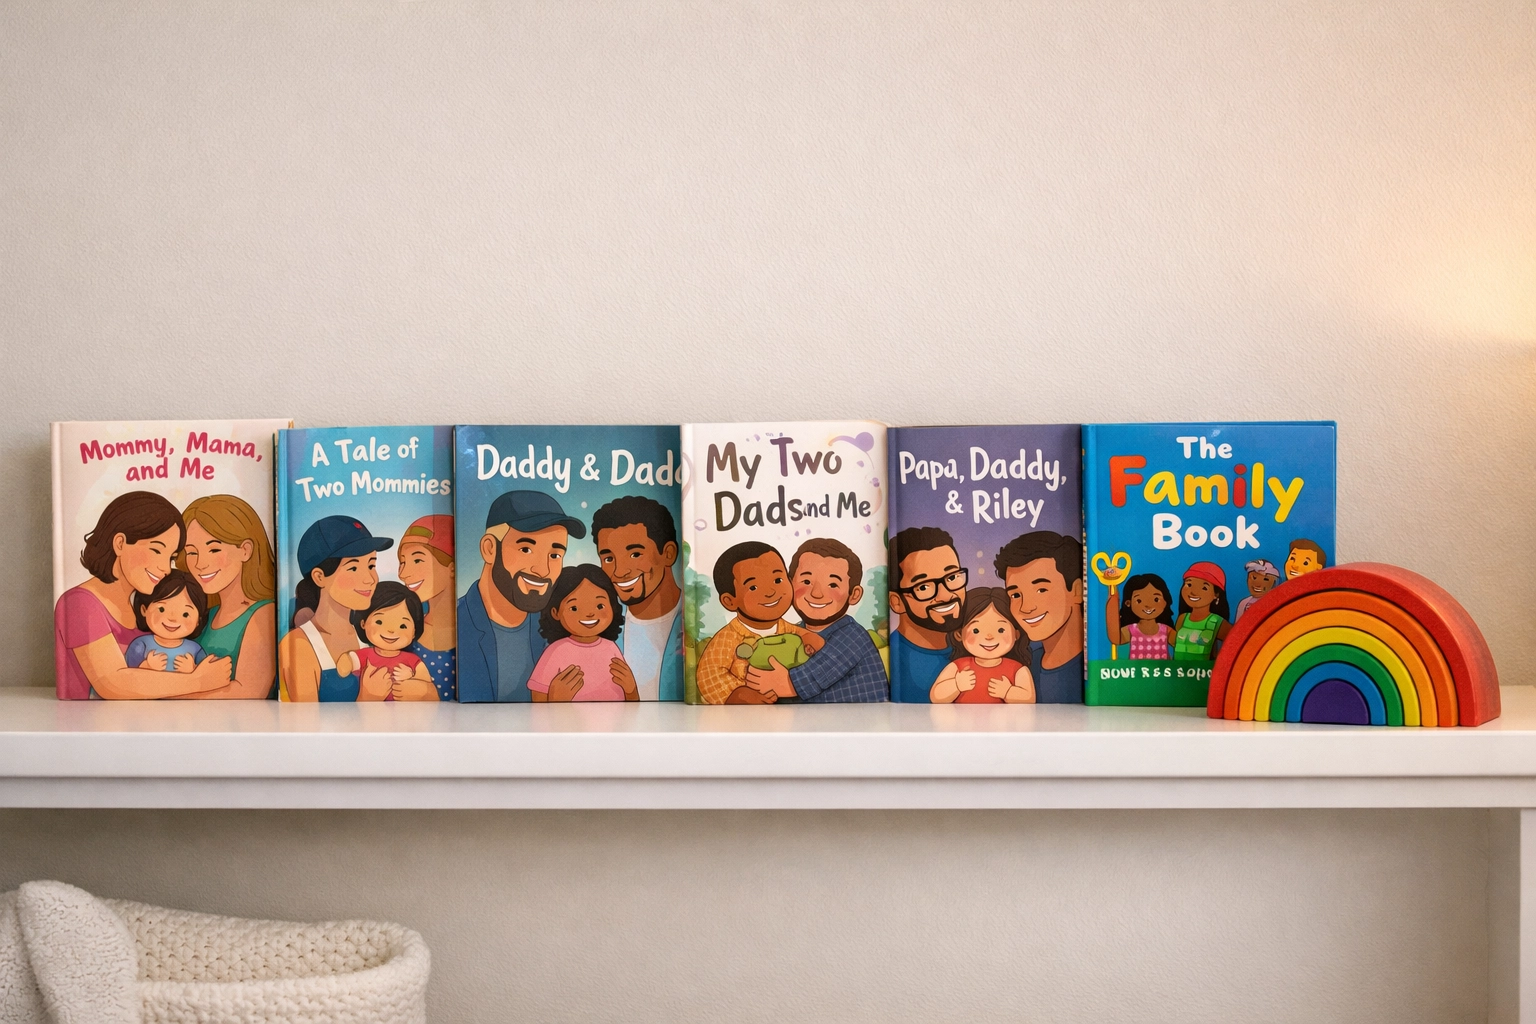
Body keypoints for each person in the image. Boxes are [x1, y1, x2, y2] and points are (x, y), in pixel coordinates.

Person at [54, 491, 231, 699]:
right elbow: (113, 683)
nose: (165, 568)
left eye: (171, 557)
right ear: (120, 543)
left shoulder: (142, 605)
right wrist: (199, 680)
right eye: (157, 551)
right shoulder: (79, 603)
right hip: (87, 725)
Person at [457, 491, 585, 702]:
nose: (542, 570)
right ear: (489, 549)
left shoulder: (557, 628)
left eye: (554, 555)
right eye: (526, 549)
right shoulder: (459, 625)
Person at [744, 538, 888, 703]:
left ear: (854, 594)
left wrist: (776, 682)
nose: (817, 593)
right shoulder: (794, 633)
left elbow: (804, 679)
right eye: (806, 581)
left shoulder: (853, 636)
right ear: (790, 585)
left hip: (857, 723)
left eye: (833, 585)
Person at [277, 516, 393, 702]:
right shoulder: (299, 645)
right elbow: (305, 726)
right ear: (319, 577)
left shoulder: (372, 632)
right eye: (353, 568)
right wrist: (368, 698)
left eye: (371, 565)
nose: (370, 579)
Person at [694, 541, 821, 704]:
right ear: (729, 601)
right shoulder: (728, 638)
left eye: (777, 580)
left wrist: (809, 638)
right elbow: (709, 674)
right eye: (753, 587)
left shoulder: (788, 629)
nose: (770, 592)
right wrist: (738, 694)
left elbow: (800, 634)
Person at [177, 494, 277, 699]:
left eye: (214, 549)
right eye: (192, 552)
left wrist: (169, 693)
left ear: (245, 550)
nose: (200, 563)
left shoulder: (263, 613)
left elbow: (249, 691)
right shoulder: (206, 614)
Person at [592, 496, 683, 701]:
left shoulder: (699, 621)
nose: (619, 571)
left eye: (635, 554)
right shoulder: (600, 626)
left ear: (668, 553)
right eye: (608, 558)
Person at [994, 531, 1085, 703]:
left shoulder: (1092, 667)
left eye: (1041, 590)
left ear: (1076, 590)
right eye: (1015, 595)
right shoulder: (1027, 664)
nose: (1026, 608)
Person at [527, 564, 638, 702]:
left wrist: (631, 689)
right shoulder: (556, 652)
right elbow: (537, 704)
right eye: (574, 608)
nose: (589, 614)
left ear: (612, 606)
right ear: (555, 612)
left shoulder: (611, 648)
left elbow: (633, 703)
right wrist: (556, 700)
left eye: (600, 606)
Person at [887, 527, 967, 703]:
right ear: (896, 602)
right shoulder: (887, 659)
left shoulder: (980, 644)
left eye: (952, 578)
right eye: (923, 587)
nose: (946, 596)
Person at [336, 581, 440, 701]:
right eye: (379, 622)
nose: (391, 631)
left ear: (414, 631)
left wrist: (412, 676)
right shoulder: (366, 655)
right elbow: (347, 662)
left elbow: (426, 681)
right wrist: (345, 664)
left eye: (402, 626)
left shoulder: (412, 660)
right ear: (363, 623)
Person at [928, 587, 1034, 704]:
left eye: (1000, 630)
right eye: (976, 631)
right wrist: (956, 685)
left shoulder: (1017, 669)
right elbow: (935, 696)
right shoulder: (958, 666)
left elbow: (1029, 698)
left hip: (1002, 721)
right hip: (962, 720)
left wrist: (1008, 692)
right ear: (959, 634)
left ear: (1016, 634)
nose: (989, 637)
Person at [397, 514, 456, 701]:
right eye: (402, 562)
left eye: (417, 560)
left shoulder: (475, 625)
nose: (403, 574)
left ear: (452, 567)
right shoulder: (404, 623)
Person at [125, 570, 210, 674]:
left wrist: (193, 670)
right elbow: (128, 675)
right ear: (144, 610)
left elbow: (205, 676)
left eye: (185, 614)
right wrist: (146, 667)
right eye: (161, 609)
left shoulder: (196, 649)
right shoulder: (140, 645)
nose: (172, 619)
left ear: (198, 620)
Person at [1104, 573, 1175, 660]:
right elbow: (1116, 639)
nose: (1148, 605)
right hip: (1137, 672)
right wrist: (1113, 600)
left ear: (1165, 601)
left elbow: (1179, 643)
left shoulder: (1166, 630)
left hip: (1162, 672)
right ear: (1128, 603)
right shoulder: (1132, 630)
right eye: (1139, 600)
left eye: (1156, 599)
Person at [1172, 561, 1233, 660]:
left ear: (1216, 594)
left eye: (1204, 588)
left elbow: (1238, 641)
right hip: (1178, 673)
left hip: (1204, 674)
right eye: (1189, 584)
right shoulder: (1182, 619)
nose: (1194, 592)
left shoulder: (1217, 622)